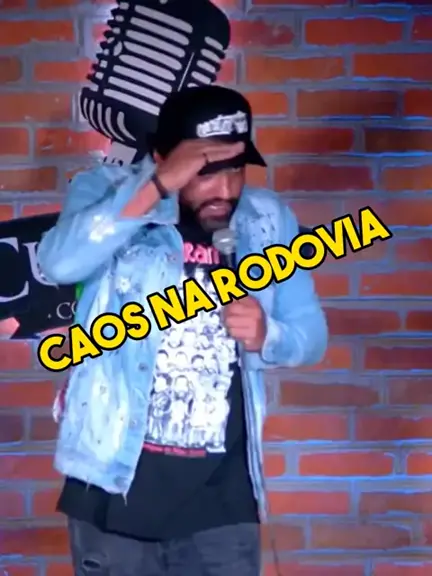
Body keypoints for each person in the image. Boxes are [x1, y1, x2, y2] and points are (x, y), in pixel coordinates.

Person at [37, 85, 328, 576]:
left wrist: (268, 336)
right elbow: (59, 262)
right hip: (114, 485)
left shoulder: (268, 220)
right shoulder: (104, 192)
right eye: (205, 171)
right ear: (163, 159)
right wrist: (156, 187)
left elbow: (310, 334)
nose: (226, 190)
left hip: (223, 498)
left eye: (236, 169)